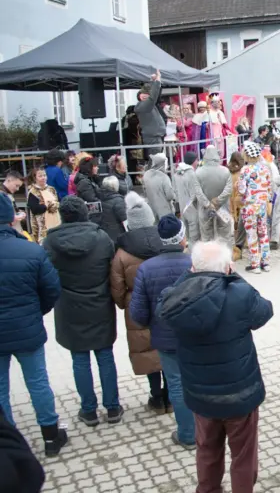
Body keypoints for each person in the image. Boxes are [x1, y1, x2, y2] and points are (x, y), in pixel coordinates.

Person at [158, 240, 273, 493]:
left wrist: (188, 277)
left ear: (192, 267)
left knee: (207, 450)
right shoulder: (240, 293)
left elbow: (162, 305)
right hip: (241, 395)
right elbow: (265, 311)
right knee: (243, 455)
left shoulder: (178, 299)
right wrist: (235, 277)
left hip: (201, 396)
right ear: (229, 267)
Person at [43, 197, 123, 427]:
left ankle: (89, 410)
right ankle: (113, 407)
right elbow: (112, 269)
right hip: (99, 304)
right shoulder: (101, 238)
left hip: (69, 307)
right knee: (105, 356)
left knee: (79, 359)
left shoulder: (50, 242)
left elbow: (46, 276)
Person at [0, 194, 68, 456]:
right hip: (27, 327)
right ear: (11, 219)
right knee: (38, 381)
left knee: (1, 389)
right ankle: (51, 436)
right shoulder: (31, 250)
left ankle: (9, 443)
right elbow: (51, 289)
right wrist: (36, 311)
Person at [130, 215, 197, 449]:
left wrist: (155, 323)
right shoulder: (193, 263)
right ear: (182, 238)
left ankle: (188, 435)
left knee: (176, 385)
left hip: (166, 339)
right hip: (194, 336)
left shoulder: (146, 268)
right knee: (197, 382)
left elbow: (137, 313)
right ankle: (207, 433)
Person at [110, 192, 168, 414]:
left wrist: (124, 303)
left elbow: (116, 287)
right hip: (165, 302)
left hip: (138, 306)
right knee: (167, 349)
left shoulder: (122, 252)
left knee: (147, 351)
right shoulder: (164, 242)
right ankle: (171, 396)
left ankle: (155, 397)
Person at [239, 141, 273, 273]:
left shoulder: (245, 170)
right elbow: (270, 188)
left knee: (252, 234)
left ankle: (255, 264)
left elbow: (242, 190)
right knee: (263, 233)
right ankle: (266, 263)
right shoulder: (265, 169)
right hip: (263, 205)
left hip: (250, 206)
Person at [197, 146, 234, 245]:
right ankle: (225, 258)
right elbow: (228, 189)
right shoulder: (225, 171)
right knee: (225, 235)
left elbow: (198, 192)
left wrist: (207, 204)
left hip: (205, 209)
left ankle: (208, 258)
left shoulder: (198, 172)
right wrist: (218, 200)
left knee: (206, 235)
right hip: (223, 208)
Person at [175, 151, 211, 247]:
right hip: (192, 207)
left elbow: (175, 192)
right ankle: (193, 257)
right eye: (197, 160)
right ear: (193, 161)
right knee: (194, 237)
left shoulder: (177, 173)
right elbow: (196, 193)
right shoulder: (191, 174)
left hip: (183, 207)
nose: (198, 162)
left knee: (186, 234)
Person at [25, 167, 60, 243]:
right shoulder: (33, 192)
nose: (43, 178)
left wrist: (54, 205)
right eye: (40, 176)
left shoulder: (51, 189)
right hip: (42, 225)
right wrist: (48, 206)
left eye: (44, 175)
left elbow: (57, 202)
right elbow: (35, 209)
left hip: (55, 220)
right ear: (35, 178)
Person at [134, 70, 166, 147]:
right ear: (139, 97)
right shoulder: (142, 106)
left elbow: (153, 94)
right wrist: (157, 80)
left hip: (156, 137)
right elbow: (153, 96)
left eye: (146, 94)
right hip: (152, 138)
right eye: (142, 94)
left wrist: (153, 81)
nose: (145, 95)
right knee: (156, 158)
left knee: (158, 158)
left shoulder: (149, 104)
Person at [143, 153, 175, 220]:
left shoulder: (146, 175)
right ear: (163, 165)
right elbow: (170, 196)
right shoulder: (164, 177)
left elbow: (144, 191)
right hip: (165, 212)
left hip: (152, 210)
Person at [98, 176, 127, 243]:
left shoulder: (100, 197)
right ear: (115, 186)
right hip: (117, 235)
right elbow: (125, 219)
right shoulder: (118, 200)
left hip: (105, 232)